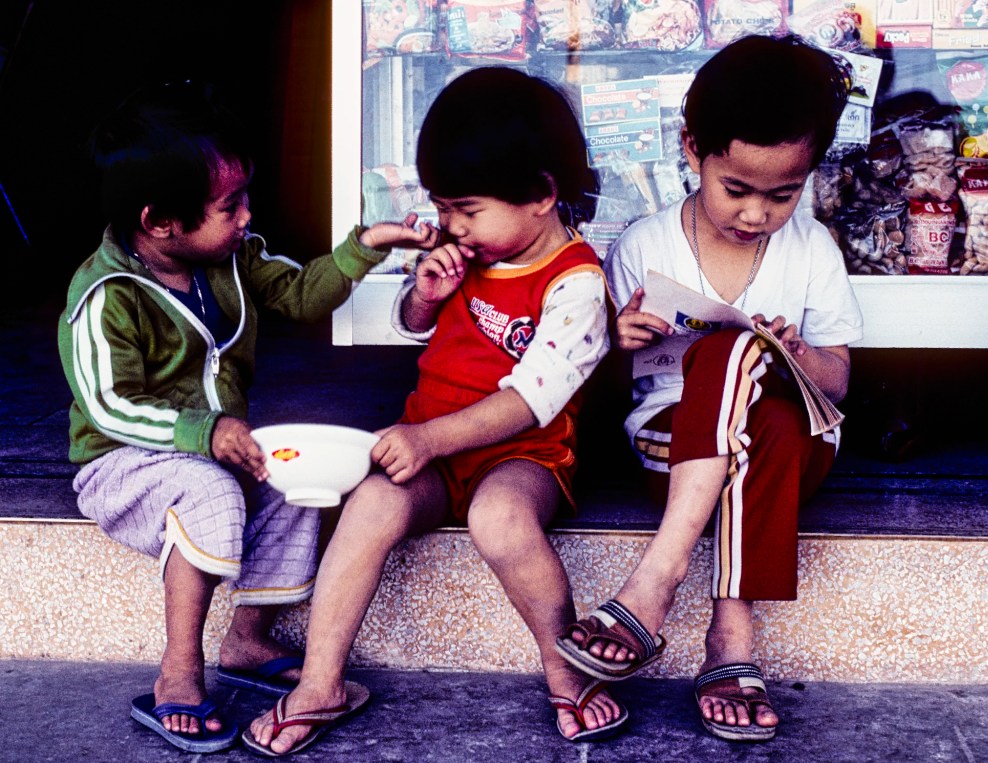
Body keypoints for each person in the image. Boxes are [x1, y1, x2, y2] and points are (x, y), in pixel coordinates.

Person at [244, 66, 622, 756]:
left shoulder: (577, 283)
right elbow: (419, 325)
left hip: (521, 455)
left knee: (498, 517)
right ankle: (321, 681)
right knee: (369, 504)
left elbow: (530, 399)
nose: (450, 225)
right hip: (432, 451)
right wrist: (424, 292)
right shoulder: (473, 252)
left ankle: (565, 665)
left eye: (466, 209)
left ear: (541, 194)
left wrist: (425, 438)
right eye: (444, 207)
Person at [56, 80, 436, 754]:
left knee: (289, 470)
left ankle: (248, 637)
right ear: (159, 221)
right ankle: (179, 670)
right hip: (121, 464)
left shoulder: (230, 257)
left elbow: (299, 294)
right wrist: (201, 432)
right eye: (228, 205)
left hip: (210, 450)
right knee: (207, 488)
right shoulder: (105, 294)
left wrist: (368, 243)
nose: (245, 215)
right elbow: (108, 405)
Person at [555, 34, 864, 742]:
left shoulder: (812, 249)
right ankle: (731, 641)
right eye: (738, 189)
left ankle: (651, 585)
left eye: (783, 194)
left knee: (772, 402)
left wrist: (794, 354)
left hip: (790, 459)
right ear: (692, 149)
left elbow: (838, 380)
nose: (756, 214)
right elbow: (601, 383)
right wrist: (619, 337)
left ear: (809, 174)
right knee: (732, 363)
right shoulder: (643, 244)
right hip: (673, 446)